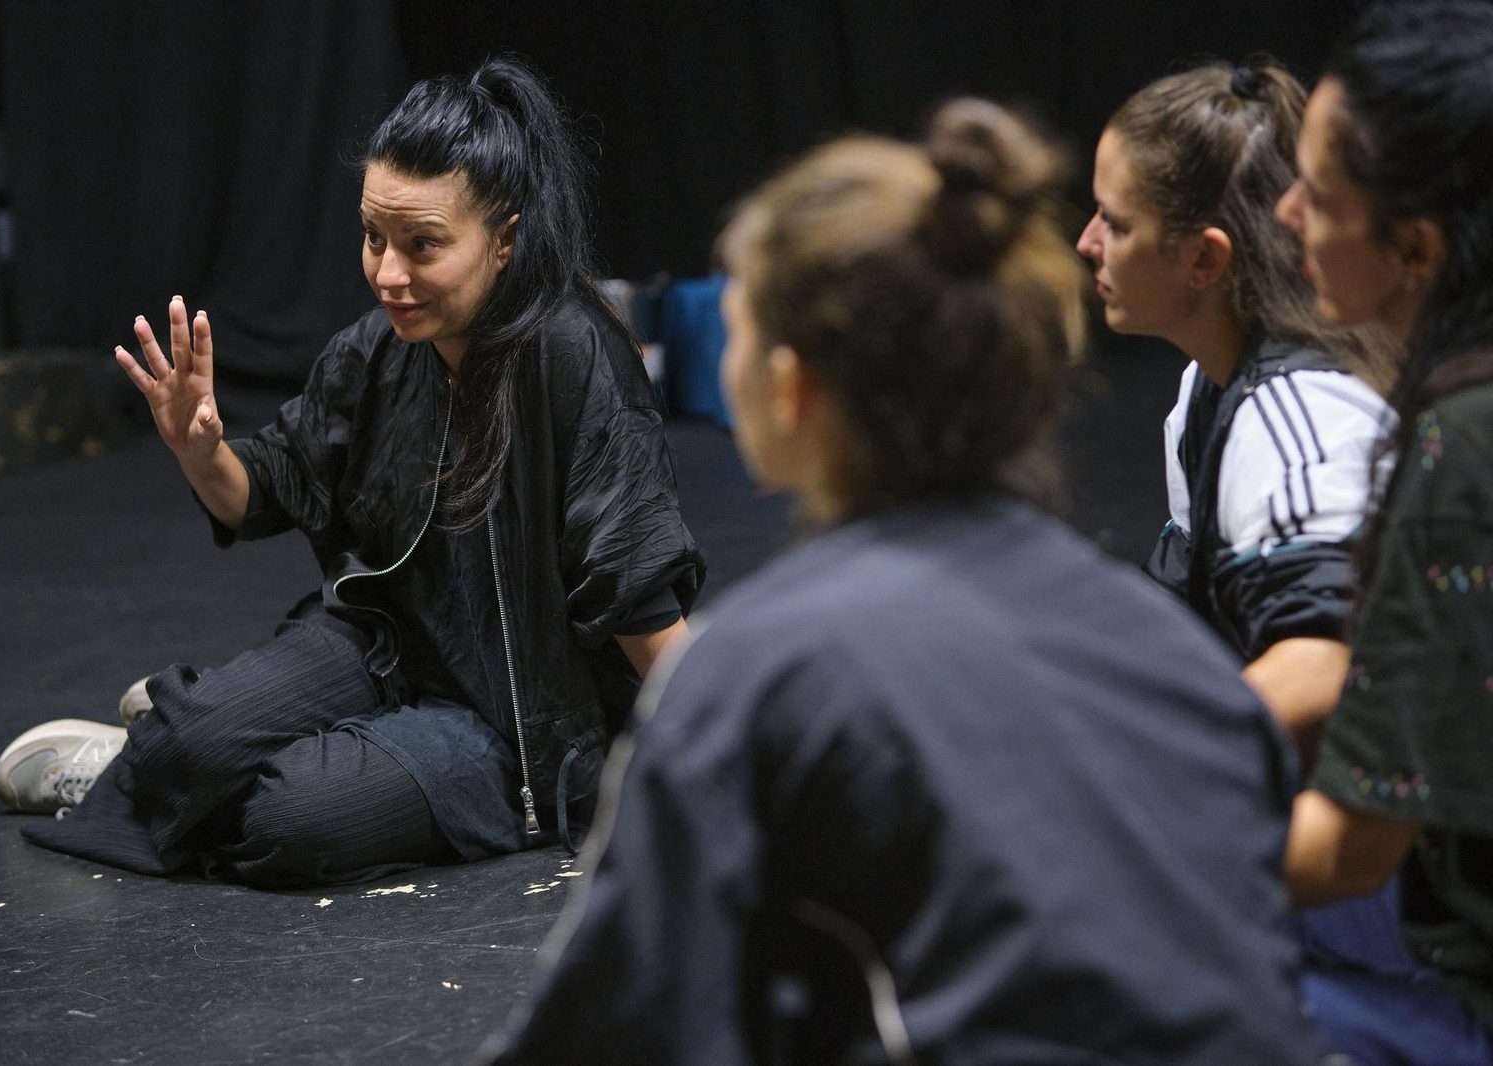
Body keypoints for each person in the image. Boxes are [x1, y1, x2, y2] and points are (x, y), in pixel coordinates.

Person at [480, 100, 1324, 1066]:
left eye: (742, 333)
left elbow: (608, 1029)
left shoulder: (753, 673)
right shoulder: (1166, 641)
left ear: (792, 390)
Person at [0, 58, 703, 887]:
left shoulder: (573, 357)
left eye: (423, 245)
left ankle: (158, 767)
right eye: (374, 238)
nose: (389, 275)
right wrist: (197, 446)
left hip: (510, 723)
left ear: (504, 240)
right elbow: (261, 492)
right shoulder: (374, 354)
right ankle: (174, 752)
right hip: (386, 645)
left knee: (295, 822)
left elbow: (635, 588)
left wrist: (728, 767)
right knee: (201, 739)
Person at [1277, 3, 1493, 1060]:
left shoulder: (1462, 445)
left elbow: (1353, 847)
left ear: (1414, 245)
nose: (1285, 212)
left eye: (1317, 195)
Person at [1077, 57, 1396, 770]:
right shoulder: (1207, 385)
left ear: (1203, 260)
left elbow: (1324, 667)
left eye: (1116, 224)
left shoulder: (1298, 420)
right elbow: (1183, 615)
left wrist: (1140, 765)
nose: (1087, 243)